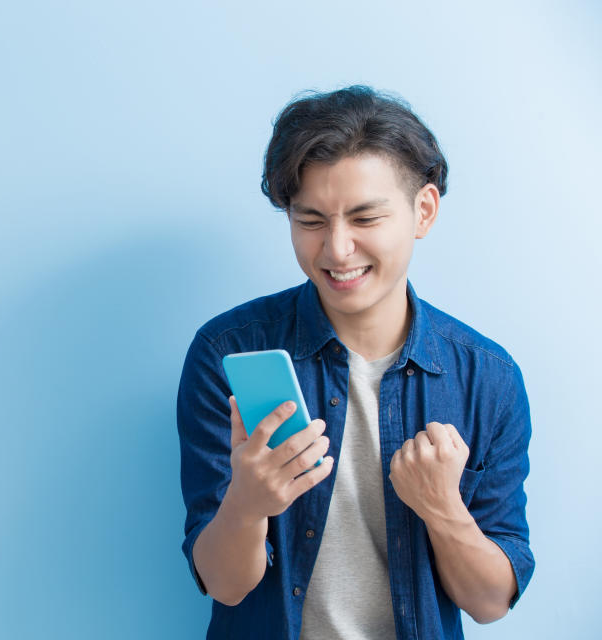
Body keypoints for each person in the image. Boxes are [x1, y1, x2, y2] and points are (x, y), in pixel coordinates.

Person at [176, 85, 534, 639]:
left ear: (423, 210)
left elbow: (490, 604)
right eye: (311, 220)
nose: (336, 250)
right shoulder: (227, 353)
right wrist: (247, 505)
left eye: (365, 218)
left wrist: (442, 508)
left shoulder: (486, 378)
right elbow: (226, 585)